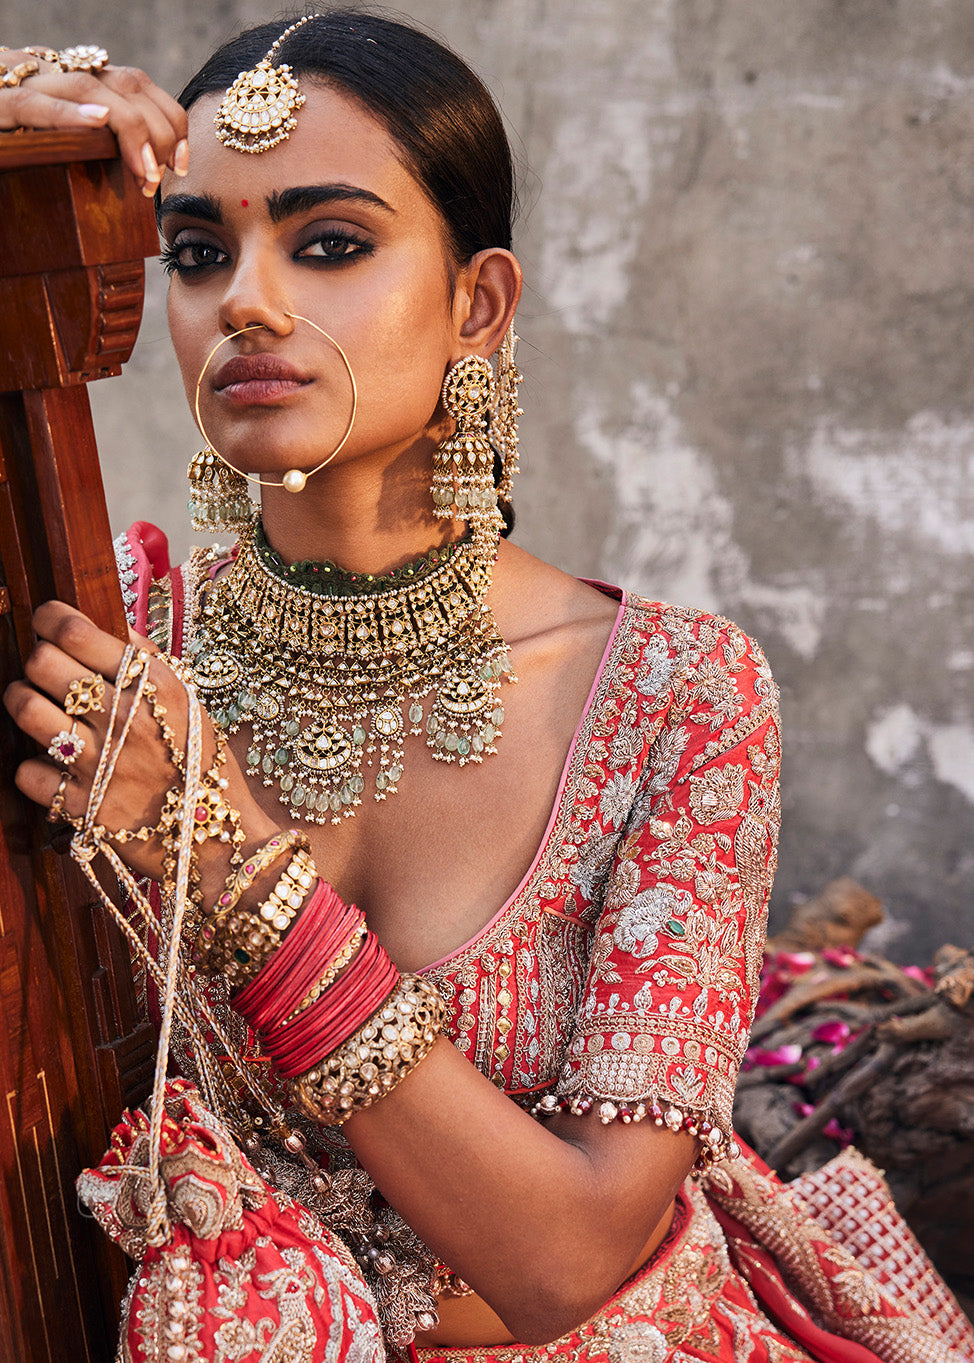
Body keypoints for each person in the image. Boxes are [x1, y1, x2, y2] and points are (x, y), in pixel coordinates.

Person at [1, 13, 971, 1362]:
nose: (248, 304)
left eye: (327, 243)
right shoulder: (117, 637)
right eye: (198, 253)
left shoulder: (672, 697)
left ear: (478, 304)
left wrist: (220, 857)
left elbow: (569, 1259)